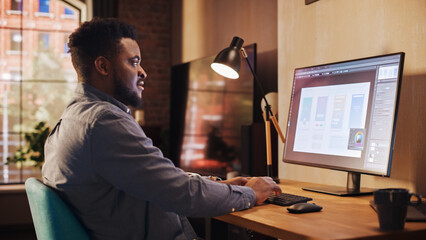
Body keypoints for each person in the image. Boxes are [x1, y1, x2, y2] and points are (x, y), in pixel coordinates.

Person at [42, 18, 281, 240]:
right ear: (103, 66)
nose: (143, 71)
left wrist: (219, 186)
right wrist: (251, 194)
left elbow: (157, 182)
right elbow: (182, 194)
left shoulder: (72, 118)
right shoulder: (104, 121)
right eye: (133, 62)